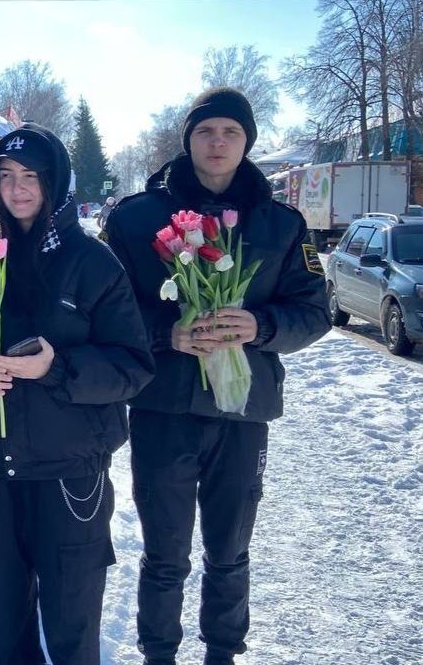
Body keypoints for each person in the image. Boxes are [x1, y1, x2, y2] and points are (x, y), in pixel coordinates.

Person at [103, 87, 331, 665]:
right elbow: (107, 310)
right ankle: (158, 653)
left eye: (231, 132)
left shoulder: (280, 223)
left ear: (247, 141)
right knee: (164, 553)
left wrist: (260, 325)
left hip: (242, 412)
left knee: (229, 550)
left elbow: (314, 312)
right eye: (205, 131)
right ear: (188, 139)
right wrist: (167, 334)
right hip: (163, 410)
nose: (218, 142)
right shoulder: (135, 218)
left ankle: (223, 653)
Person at [0, 125, 154, 665]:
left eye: (31, 178)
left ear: (55, 183)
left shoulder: (92, 263)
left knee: (71, 618)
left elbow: (134, 366)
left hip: (69, 471)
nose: (17, 189)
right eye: (6, 177)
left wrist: (57, 367)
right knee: (7, 614)